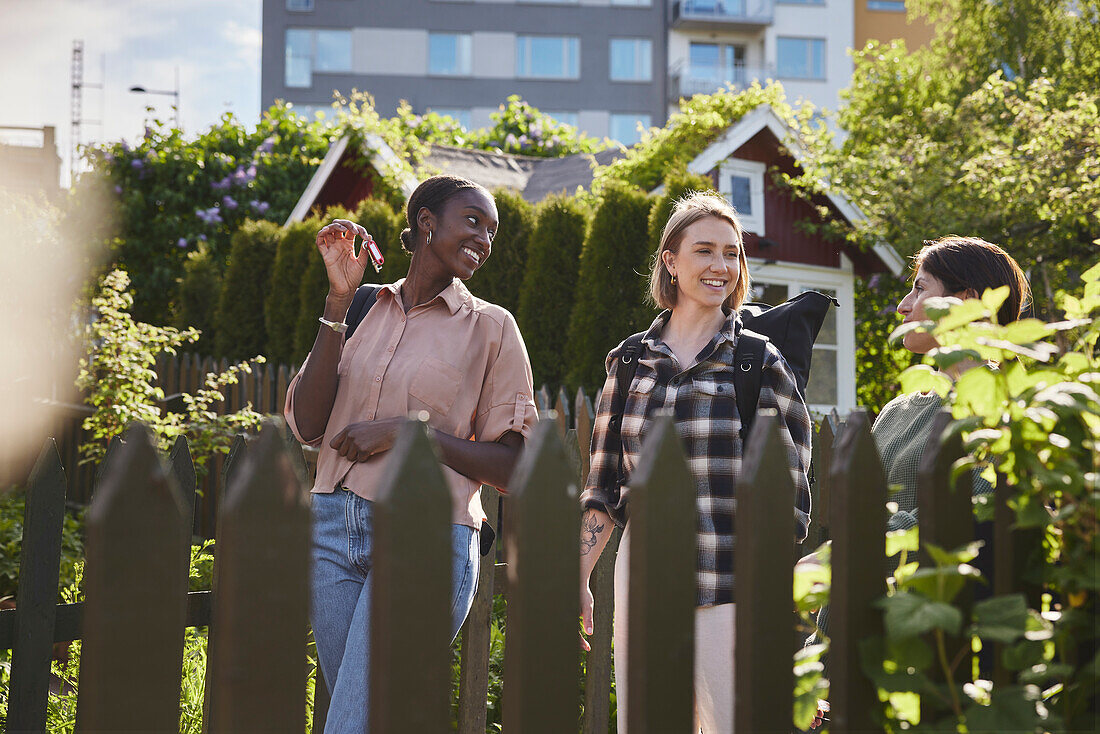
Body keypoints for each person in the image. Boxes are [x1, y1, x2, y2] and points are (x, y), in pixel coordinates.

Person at [283, 175, 538, 733]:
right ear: (426, 221)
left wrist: (411, 433)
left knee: (352, 722)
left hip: (426, 536)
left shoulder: (492, 329)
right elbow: (306, 423)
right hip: (330, 532)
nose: (485, 240)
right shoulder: (359, 310)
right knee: (373, 716)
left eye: (492, 231)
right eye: (473, 221)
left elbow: (513, 467)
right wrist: (337, 300)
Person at [577, 192, 813, 733]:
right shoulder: (630, 360)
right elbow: (605, 485)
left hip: (730, 579)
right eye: (704, 250)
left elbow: (792, 490)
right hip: (644, 581)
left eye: (732, 254)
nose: (721, 267)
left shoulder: (757, 360)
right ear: (670, 260)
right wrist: (580, 573)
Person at [801, 235, 1032, 730]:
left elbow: (977, 510)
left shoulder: (1008, 407)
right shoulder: (900, 408)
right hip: (850, 647)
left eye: (919, 288)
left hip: (942, 662)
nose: (903, 305)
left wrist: (838, 553)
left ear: (964, 302)